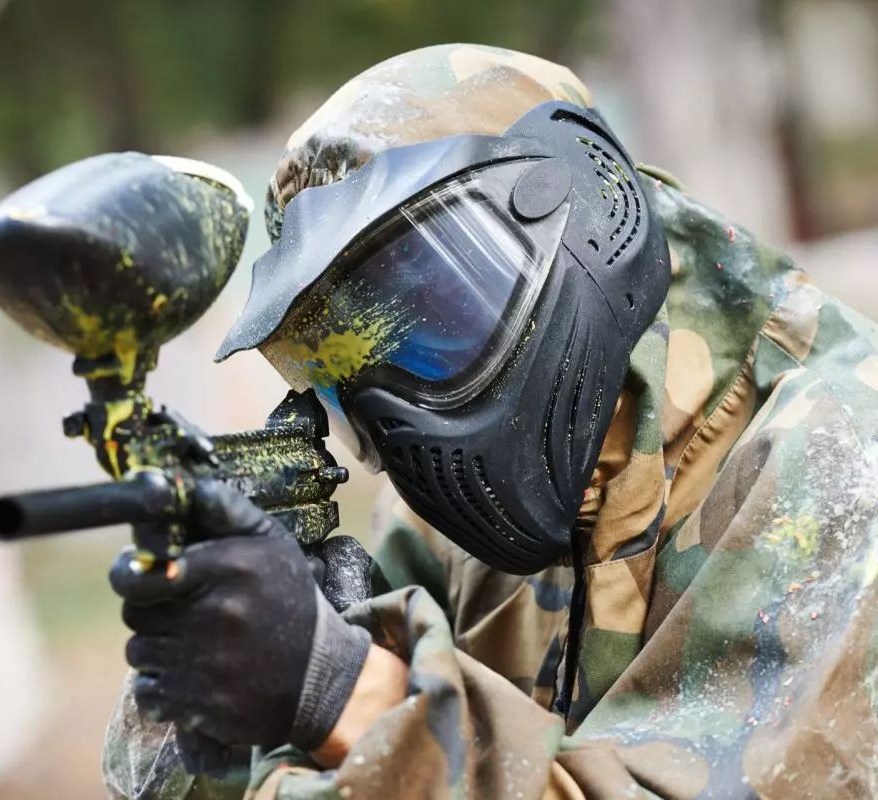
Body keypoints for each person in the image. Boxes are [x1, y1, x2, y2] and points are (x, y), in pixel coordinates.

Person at [104, 44, 878, 799]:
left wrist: (346, 694)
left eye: (433, 315)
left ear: (595, 201)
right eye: (338, 375)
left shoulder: (839, 456)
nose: (395, 411)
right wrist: (222, 706)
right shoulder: (448, 526)